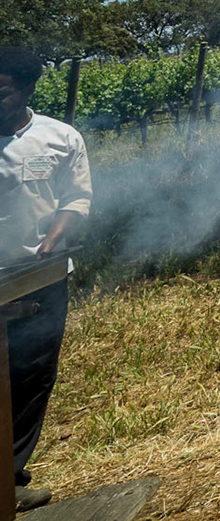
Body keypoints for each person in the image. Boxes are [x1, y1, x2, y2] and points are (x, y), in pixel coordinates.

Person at [0, 48, 90, 514]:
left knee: (30, 376)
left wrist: (49, 249)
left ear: (28, 88)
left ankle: (8, 479)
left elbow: (75, 200)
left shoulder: (60, 138)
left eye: (2, 91)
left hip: (39, 279)